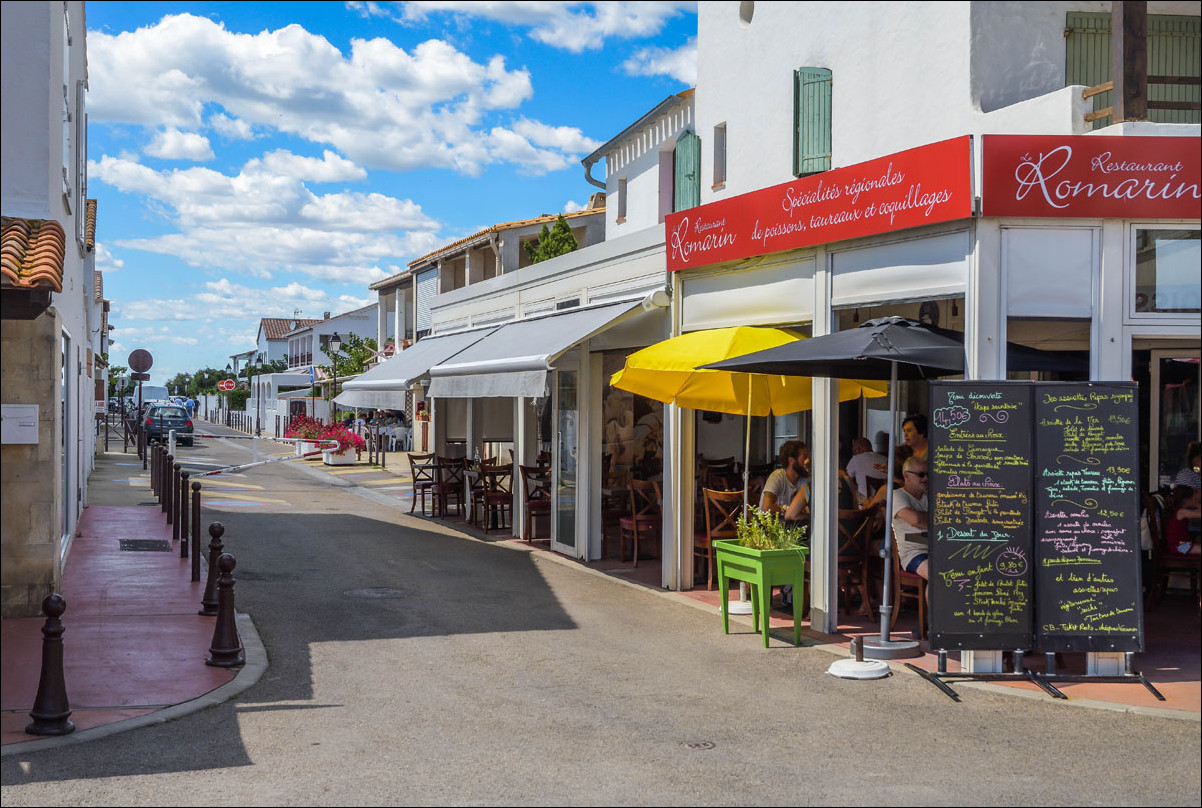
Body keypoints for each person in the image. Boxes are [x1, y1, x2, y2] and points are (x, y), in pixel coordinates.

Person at [759, 441, 810, 612]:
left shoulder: (804, 480)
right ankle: (792, 591)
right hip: (771, 529)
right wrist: (787, 510)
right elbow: (766, 506)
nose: (808, 460)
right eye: (804, 457)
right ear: (791, 460)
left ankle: (796, 592)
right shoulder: (778, 476)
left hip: (794, 529)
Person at [892, 456, 930, 581]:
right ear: (906, 475)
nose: (925, 478)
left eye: (928, 474)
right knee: (938, 576)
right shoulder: (897, 495)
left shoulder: (929, 497)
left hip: (938, 550)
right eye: (921, 474)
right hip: (913, 554)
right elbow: (915, 519)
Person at [844, 436, 887, 505]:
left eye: (854, 452)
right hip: (885, 504)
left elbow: (847, 481)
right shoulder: (886, 460)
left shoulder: (856, 459)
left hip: (864, 505)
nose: (854, 454)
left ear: (857, 450)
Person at [1165, 485, 1201, 556]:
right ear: (1186, 500)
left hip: (1181, 545)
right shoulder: (1181, 512)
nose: (1196, 499)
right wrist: (1197, 504)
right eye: (1193, 498)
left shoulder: (1180, 511)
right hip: (1179, 547)